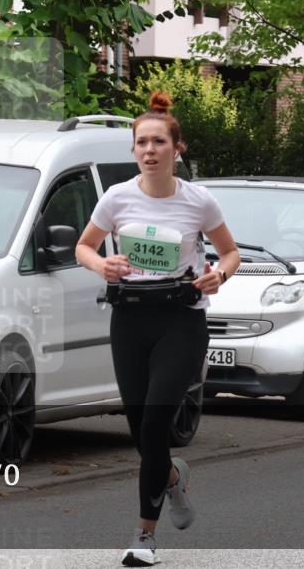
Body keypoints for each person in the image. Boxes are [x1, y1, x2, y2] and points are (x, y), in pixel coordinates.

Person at [75, 93, 240, 567]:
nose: (150, 150)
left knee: (154, 423)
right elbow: (83, 247)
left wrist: (219, 275)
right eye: (141, 143)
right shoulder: (116, 197)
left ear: (176, 149)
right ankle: (171, 479)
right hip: (129, 317)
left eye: (159, 142)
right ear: (133, 151)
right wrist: (101, 264)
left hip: (180, 318)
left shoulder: (198, 200)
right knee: (140, 431)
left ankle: (144, 536)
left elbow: (230, 253)